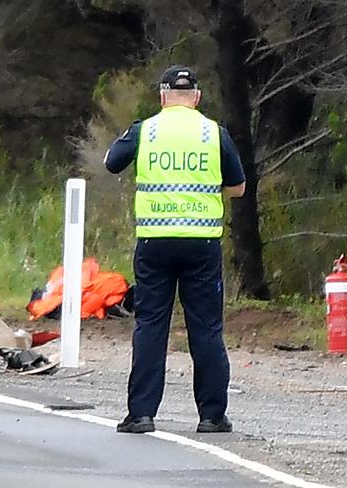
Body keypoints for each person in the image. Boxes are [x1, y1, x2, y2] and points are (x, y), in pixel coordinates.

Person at [104, 65, 245, 434]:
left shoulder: (145, 130)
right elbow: (239, 187)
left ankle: (141, 414)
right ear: (196, 98)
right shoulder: (214, 133)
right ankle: (212, 416)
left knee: (151, 325)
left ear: (163, 97)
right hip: (202, 243)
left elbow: (111, 163)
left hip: (155, 242)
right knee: (207, 329)